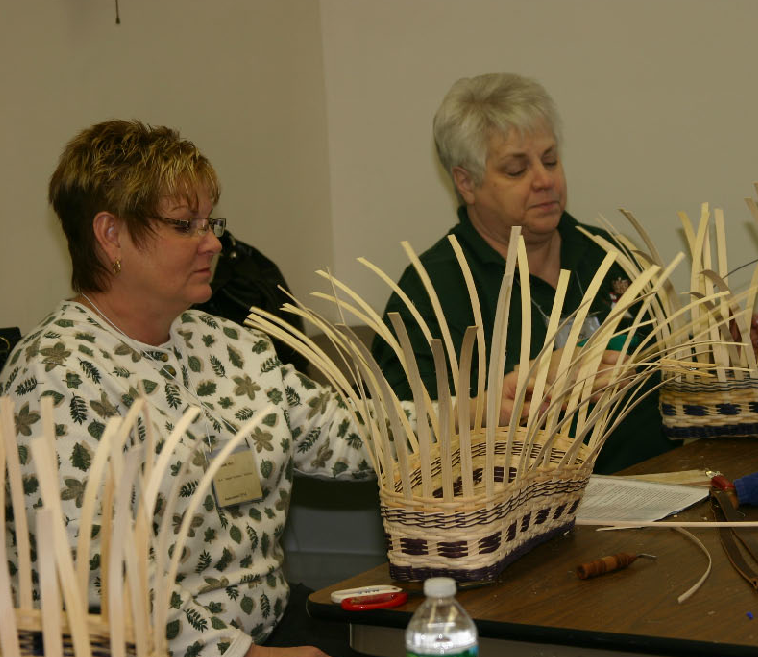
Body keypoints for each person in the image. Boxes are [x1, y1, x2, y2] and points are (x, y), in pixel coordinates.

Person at [0, 121, 520, 657]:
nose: (213, 243)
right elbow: (96, 581)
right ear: (111, 235)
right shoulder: (56, 377)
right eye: (185, 225)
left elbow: (346, 435)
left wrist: (481, 410)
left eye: (211, 222)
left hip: (269, 625)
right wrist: (244, 656)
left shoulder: (227, 344)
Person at [371, 73, 677, 474]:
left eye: (550, 160)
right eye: (516, 170)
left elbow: (672, 376)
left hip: (665, 486)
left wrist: (722, 359)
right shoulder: (430, 292)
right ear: (466, 182)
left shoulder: (610, 254)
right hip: (521, 506)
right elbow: (404, 439)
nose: (545, 180)